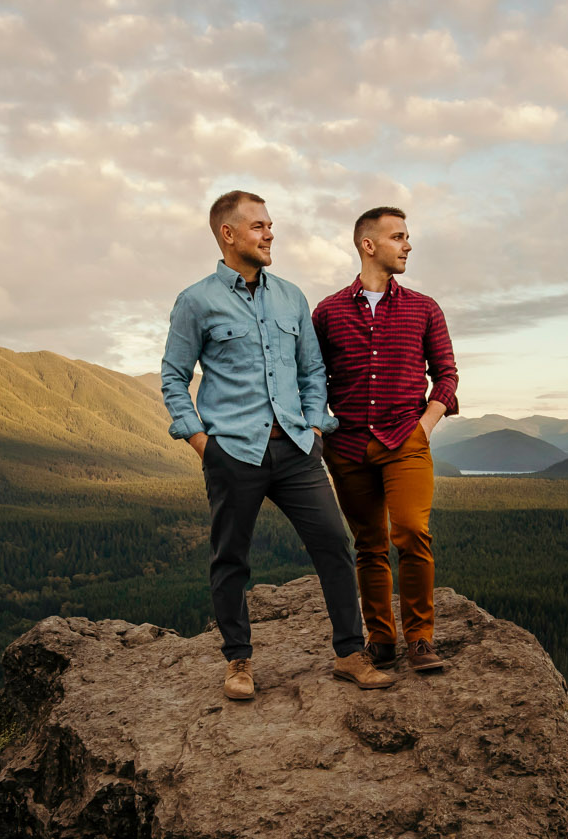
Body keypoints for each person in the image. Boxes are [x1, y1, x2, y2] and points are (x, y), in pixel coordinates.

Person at [161, 189, 396, 700]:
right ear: (228, 234)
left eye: (270, 226)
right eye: (259, 226)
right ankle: (238, 662)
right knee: (231, 559)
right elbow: (173, 378)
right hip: (233, 452)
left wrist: (313, 427)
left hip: (294, 449)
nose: (270, 234)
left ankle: (349, 654)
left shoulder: (291, 296)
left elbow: (313, 370)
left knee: (335, 544)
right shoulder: (196, 301)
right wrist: (202, 441)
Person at [312, 206, 458, 674]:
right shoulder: (328, 311)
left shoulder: (424, 308)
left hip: (406, 438)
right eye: (399, 237)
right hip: (349, 445)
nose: (408, 245)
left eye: (408, 236)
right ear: (368, 245)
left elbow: (447, 375)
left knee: (412, 532)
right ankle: (381, 640)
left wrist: (426, 424)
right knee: (369, 544)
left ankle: (420, 639)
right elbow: (311, 377)